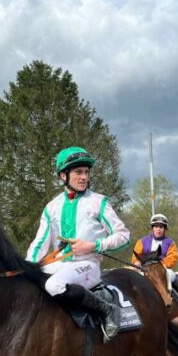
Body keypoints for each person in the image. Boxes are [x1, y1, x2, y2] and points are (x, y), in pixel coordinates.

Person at [26, 146, 130, 342]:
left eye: (86, 172)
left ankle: (108, 310)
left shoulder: (99, 202)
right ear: (63, 176)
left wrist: (93, 246)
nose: (83, 177)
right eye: (78, 172)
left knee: (54, 285)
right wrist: (26, 268)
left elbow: (123, 236)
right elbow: (39, 244)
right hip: (59, 265)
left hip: (88, 266)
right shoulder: (51, 207)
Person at [132, 213, 178, 290]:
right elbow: (136, 257)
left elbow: (173, 257)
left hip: (163, 269)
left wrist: (161, 264)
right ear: (153, 228)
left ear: (165, 229)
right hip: (145, 269)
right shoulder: (142, 241)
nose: (159, 229)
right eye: (156, 226)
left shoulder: (170, 243)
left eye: (161, 227)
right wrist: (137, 263)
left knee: (172, 276)